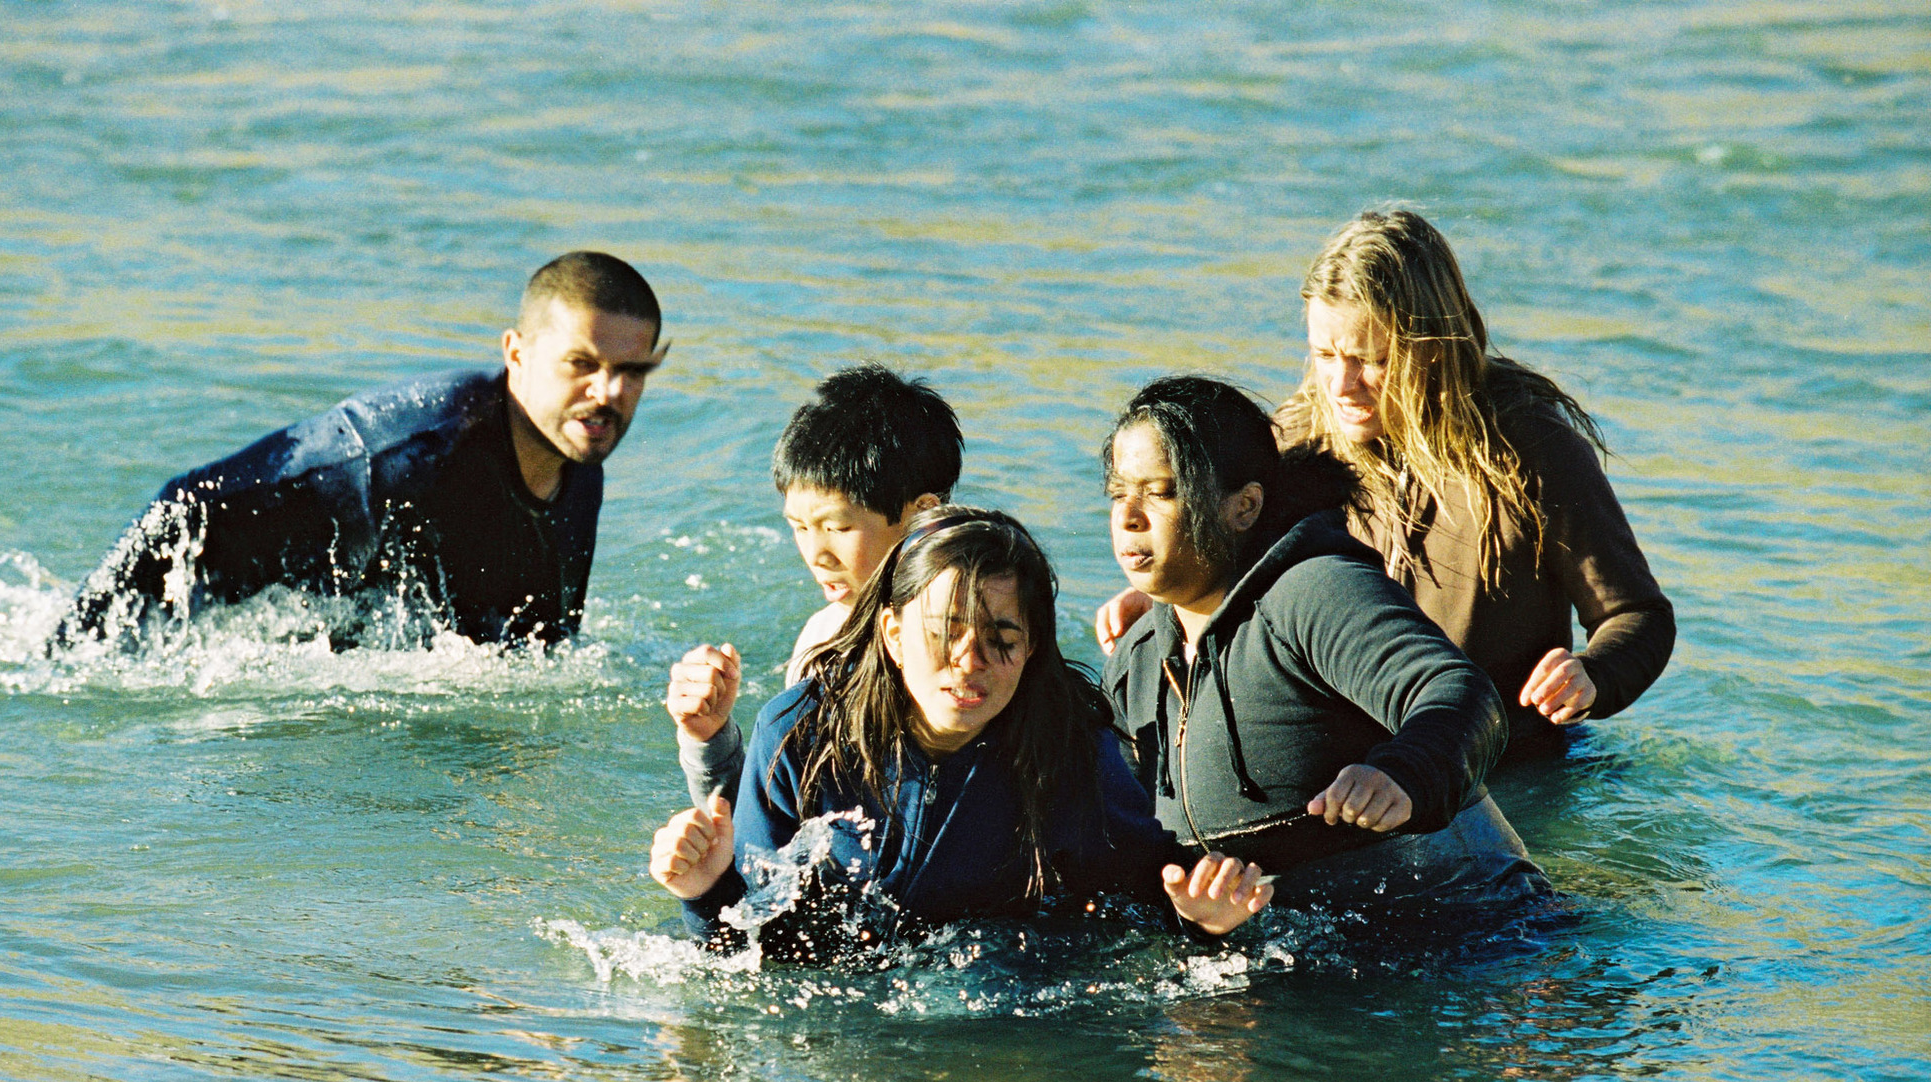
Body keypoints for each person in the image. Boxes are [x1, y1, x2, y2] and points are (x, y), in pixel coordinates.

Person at [1097, 209, 1675, 750]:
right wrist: (1169, 596)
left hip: (1502, 769)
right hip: (1346, 767)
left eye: (1370, 358)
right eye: (1323, 354)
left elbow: (1637, 618)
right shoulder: (1298, 439)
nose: (1340, 385)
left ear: (1431, 345)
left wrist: (1592, 676)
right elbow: (1235, 561)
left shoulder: (1528, 448)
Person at [649, 506, 1274, 962]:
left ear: (1031, 649)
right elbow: (753, 949)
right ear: (892, 634)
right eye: (945, 632)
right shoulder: (801, 734)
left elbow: (1147, 895)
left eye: (1002, 640)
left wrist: (1207, 921)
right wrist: (704, 891)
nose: (970, 662)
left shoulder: (1067, 742)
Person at [53, 251, 666, 648]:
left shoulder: (578, 457)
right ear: (516, 353)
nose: (608, 393)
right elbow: (190, 507)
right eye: (582, 364)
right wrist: (71, 654)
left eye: (631, 371)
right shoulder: (400, 457)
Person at [1098, 376, 1545, 915]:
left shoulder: (1314, 593)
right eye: (1120, 492)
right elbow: (1115, 830)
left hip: (1480, 928)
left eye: (1162, 492)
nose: (1128, 516)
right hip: (1310, 956)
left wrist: (1403, 772)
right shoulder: (1137, 659)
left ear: (1244, 507)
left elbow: (1459, 691)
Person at [663, 363, 962, 809]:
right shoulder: (823, 636)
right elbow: (774, 826)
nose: (815, 554)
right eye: (800, 527)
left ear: (921, 515)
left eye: (837, 527)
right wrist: (708, 737)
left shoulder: (966, 651)